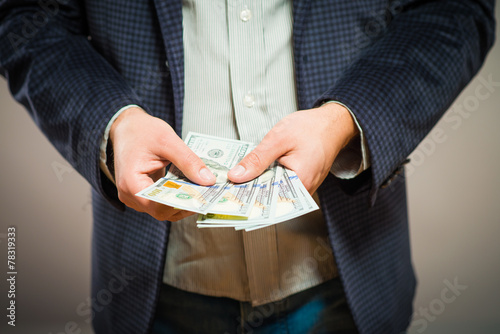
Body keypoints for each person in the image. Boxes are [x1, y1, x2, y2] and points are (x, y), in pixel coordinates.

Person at [0, 0, 495, 333]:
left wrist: (348, 118)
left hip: (348, 281)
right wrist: (111, 125)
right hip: (154, 289)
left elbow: (452, 7)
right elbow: (27, 16)